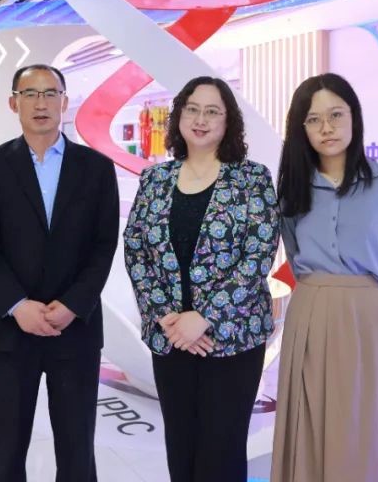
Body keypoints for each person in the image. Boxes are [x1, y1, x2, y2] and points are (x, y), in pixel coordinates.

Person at [123, 76, 279, 482]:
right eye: (192, 109)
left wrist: (204, 317)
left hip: (232, 339)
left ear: (229, 122)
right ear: (178, 117)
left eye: (213, 111)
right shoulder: (155, 179)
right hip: (171, 337)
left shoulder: (252, 179)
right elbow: (136, 250)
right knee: (181, 446)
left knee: (221, 451)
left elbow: (257, 255)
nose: (200, 119)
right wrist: (168, 317)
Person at [0, 63, 120, 482]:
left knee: (76, 450)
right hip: (10, 330)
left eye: (50, 93)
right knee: (4, 450)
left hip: (75, 329)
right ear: (13, 103)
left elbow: (104, 245)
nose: (41, 103)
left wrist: (74, 304)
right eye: (30, 93)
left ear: (64, 102)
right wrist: (17, 305)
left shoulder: (95, 167)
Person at [271, 73, 378, 482]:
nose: (326, 128)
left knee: (365, 425)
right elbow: (294, 252)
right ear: (302, 129)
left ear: (354, 117)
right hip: (310, 312)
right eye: (313, 120)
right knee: (310, 419)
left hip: (368, 317)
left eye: (336, 115)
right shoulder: (292, 188)